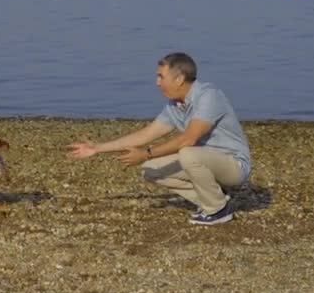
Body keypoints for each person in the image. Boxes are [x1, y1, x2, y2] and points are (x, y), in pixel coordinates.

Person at [67, 52, 252, 225]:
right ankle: (215, 198)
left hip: (234, 166)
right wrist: (97, 148)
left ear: (179, 79)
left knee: (187, 153)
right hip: (205, 162)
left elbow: (188, 139)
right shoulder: (174, 105)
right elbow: (145, 135)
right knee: (151, 169)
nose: (157, 82)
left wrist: (147, 153)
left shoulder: (208, 96)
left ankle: (218, 211)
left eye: (161, 77)